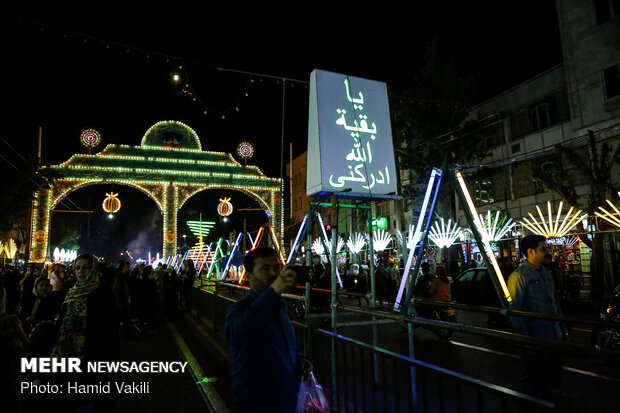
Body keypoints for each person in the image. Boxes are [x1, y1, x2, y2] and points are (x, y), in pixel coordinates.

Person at [225, 247, 313, 413]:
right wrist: (273, 292)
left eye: (277, 267)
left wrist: (300, 360)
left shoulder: (280, 308)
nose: (273, 273)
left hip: (288, 401)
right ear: (249, 276)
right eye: (265, 268)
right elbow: (237, 336)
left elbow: (287, 346)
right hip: (254, 404)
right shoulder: (239, 310)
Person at [50, 253, 120, 411]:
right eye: (77, 267)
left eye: (85, 267)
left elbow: (110, 329)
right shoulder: (72, 290)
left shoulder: (103, 293)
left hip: (92, 352)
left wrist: (112, 361)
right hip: (67, 351)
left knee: (90, 394)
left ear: (93, 269)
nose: (81, 271)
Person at [507, 235, 567, 401]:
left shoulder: (546, 273)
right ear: (530, 251)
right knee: (532, 385)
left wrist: (562, 330)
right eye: (543, 249)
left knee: (552, 382)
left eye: (546, 248)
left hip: (553, 338)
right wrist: (527, 342)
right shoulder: (519, 277)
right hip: (536, 340)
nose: (547, 251)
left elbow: (555, 303)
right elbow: (515, 313)